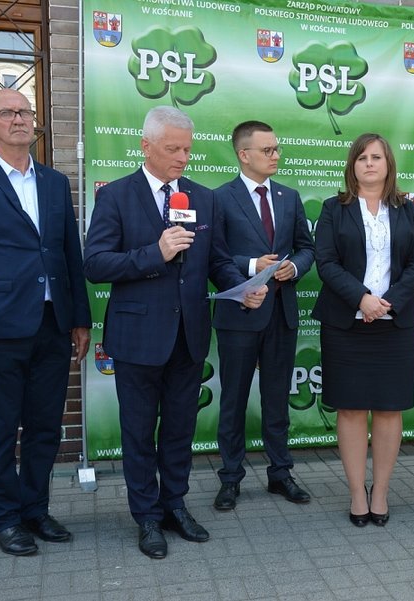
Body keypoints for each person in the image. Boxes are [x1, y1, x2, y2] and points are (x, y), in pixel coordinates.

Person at [83, 106, 265, 559]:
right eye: (172, 149)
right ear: (146, 146)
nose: (183, 157)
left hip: (189, 335)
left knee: (180, 429)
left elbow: (217, 260)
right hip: (137, 339)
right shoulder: (116, 196)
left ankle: (175, 505)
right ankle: (146, 516)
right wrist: (155, 252)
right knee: (139, 432)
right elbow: (96, 264)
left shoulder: (202, 198)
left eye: (187, 148)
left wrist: (241, 288)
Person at [0, 88, 91, 556]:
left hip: (52, 324)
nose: (19, 119)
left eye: (25, 111)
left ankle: (35, 510)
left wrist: (79, 318)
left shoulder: (54, 182)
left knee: (45, 428)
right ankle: (3, 518)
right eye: (6, 113)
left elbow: (69, 254)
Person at [312, 133, 414, 527]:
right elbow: (326, 262)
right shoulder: (334, 208)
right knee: (350, 408)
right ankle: (357, 492)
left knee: (389, 409)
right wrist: (362, 299)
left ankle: (380, 491)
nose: (369, 164)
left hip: (395, 326)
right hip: (346, 324)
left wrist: (388, 301)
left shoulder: (408, 210)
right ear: (352, 166)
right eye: (362, 158)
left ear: (388, 163)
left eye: (376, 157)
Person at [212, 121, 315, 511]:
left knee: (277, 399)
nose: (276, 156)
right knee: (233, 401)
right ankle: (230, 478)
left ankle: (280, 473)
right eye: (267, 150)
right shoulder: (219, 199)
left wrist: (295, 267)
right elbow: (215, 255)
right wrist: (252, 264)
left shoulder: (289, 197)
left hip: (281, 314)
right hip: (239, 314)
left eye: (276, 149)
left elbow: (306, 247)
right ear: (244, 155)